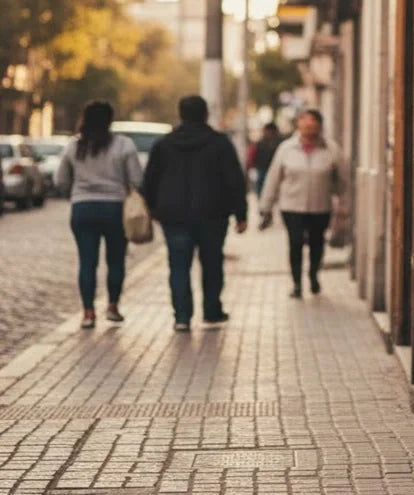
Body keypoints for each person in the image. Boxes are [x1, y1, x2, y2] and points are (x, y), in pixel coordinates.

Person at [141, 95, 248, 332]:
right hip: (213, 214)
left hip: (174, 216)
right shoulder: (219, 143)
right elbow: (234, 180)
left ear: (180, 115)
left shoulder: (164, 144)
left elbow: (149, 180)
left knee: (178, 266)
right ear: (205, 114)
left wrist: (153, 208)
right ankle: (211, 311)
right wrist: (241, 214)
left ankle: (181, 316)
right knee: (212, 263)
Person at [55, 100, 143, 330]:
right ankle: (112, 307)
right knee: (116, 260)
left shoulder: (74, 146)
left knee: (87, 261)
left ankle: (88, 312)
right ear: (110, 119)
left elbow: (60, 180)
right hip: (115, 208)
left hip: (83, 208)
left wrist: (76, 188)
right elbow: (137, 179)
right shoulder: (123, 145)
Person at [258, 109, 347, 298]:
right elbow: (273, 179)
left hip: (320, 206)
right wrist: (265, 206)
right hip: (292, 207)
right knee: (295, 243)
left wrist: (343, 204)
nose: (309, 128)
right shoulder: (286, 149)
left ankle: (313, 275)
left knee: (317, 243)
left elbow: (342, 181)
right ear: (299, 126)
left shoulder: (332, 149)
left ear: (320, 127)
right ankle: (297, 282)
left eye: (313, 125)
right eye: (305, 124)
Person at [246, 122, 283, 198]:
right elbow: (253, 155)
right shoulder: (260, 142)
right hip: (262, 168)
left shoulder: (280, 143)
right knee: (261, 186)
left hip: (271, 169)